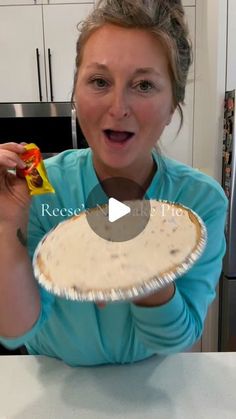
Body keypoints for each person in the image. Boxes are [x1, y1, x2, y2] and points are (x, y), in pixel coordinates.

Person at [0, 0, 228, 366]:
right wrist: (7, 225)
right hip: (59, 387)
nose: (119, 107)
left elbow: (179, 338)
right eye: (100, 81)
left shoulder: (199, 202)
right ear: (75, 90)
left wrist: (144, 267)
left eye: (143, 84)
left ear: (173, 103)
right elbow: (16, 329)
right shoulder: (39, 188)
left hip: (148, 389)